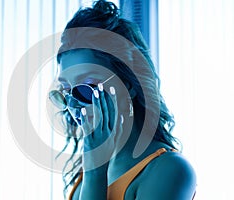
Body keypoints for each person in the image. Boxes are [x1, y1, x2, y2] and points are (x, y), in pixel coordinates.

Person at [48, 0, 196, 199]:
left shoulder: (170, 170)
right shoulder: (85, 173)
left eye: (86, 88)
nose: (74, 105)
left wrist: (95, 172)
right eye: (65, 91)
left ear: (129, 85)